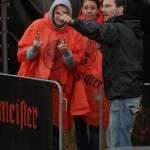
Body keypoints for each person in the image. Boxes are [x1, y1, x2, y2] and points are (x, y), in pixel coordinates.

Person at [58, 0, 143, 149]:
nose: (103, 9)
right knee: (114, 140)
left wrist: (74, 21)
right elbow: (125, 57)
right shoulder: (128, 29)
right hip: (126, 96)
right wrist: (105, 48)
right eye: (102, 6)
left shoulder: (118, 29)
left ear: (120, 9)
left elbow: (99, 30)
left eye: (108, 6)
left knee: (118, 144)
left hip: (123, 97)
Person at [17, 0, 83, 149]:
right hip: (35, 88)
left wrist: (67, 53)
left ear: (69, 15)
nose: (60, 17)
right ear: (52, 11)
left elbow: (74, 66)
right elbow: (23, 54)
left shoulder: (74, 33)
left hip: (59, 92)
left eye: (64, 13)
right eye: (57, 12)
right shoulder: (37, 25)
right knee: (34, 126)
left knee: (54, 133)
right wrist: (33, 48)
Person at [70, 0, 110, 150]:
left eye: (93, 8)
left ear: (99, 9)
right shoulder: (74, 27)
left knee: (95, 125)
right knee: (79, 125)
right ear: (81, 9)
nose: (89, 11)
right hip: (79, 85)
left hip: (97, 86)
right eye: (86, 8)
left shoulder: (105, 29)